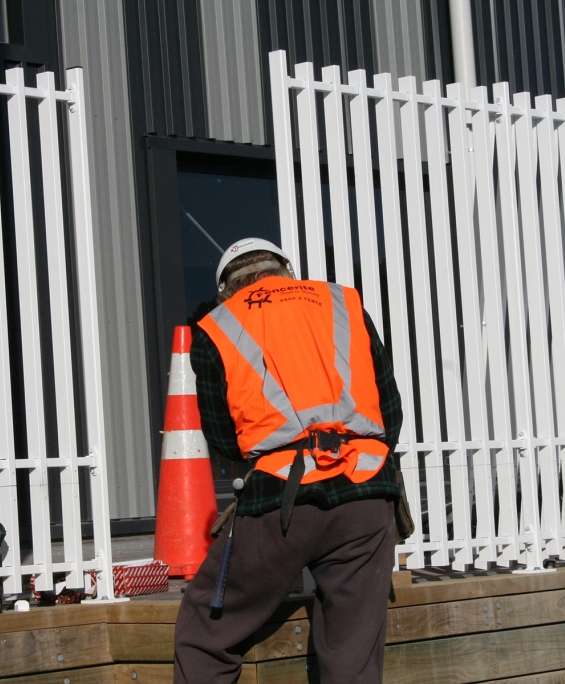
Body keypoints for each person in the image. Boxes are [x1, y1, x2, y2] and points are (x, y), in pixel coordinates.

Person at [173, 237, 404, 684]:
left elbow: (223, 437)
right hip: (368, 491)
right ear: (287, 271)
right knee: (353, 658)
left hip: (283, 495)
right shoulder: (343, 304)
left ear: (227, 288)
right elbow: (389, 409)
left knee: (206, 628)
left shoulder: (217, 325)